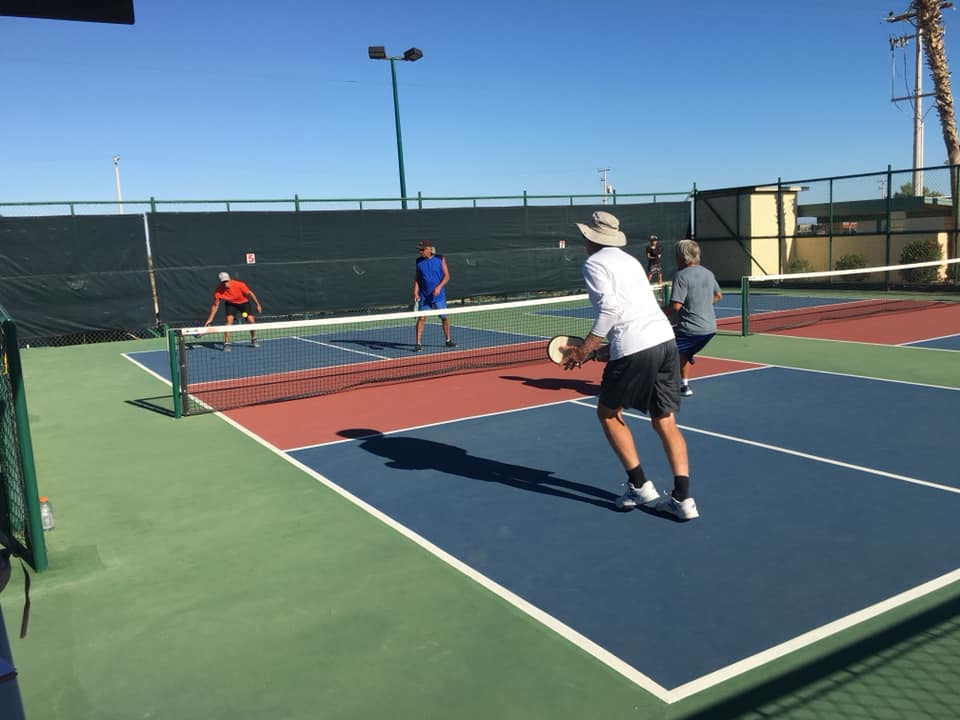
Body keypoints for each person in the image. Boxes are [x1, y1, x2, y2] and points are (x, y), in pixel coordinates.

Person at [561, 211, 699, 521]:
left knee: (608, 414)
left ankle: (639, 486)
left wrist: (583, 349)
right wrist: (595, 354)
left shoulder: (594, 263)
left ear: (590, 238)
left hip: (637, 346)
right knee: (665, 420)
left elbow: (611, 311)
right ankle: (683, 499)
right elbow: (634, 319)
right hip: (664, 341)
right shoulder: (631, 262)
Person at [669, 239, 722, 397]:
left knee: (660, 351)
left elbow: (675, 307)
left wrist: (655, 313)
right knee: (683, 354)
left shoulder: (680, 275)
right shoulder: (708, 273)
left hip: (690, 330)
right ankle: (684, 385)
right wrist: (701, 304)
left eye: (676, 255)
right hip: (710, 330)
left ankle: (655, 387)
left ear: (682, 256)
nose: (675, 258)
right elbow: (718, 296)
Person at [413, 240, 456, 351]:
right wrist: (415, 292)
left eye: (422, 250)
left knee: (444, 318)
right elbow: (417, 279)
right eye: (419, 250)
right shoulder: (418, 261)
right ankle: (417, 343)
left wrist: (438, 287)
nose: (420, 252)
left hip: (438, 297)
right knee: (421, 318)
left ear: (429, 249)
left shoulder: (440, 259)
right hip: (424, 296)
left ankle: (448, 340)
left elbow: (447, 276)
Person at [204, 271, 262, 351]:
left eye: (226, 281)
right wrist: (209, 319)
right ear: (221, 282)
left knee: (250, 320)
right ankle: (226, 343)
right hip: (231, 305)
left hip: (243, 304)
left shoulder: (239, 285)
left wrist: (257, 304)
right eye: (223, 282)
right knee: (229, 321)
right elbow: (215, 306)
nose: (225, 283)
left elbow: (250, 294)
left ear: (230, 279)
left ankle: (253, 338)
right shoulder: (218, 291)